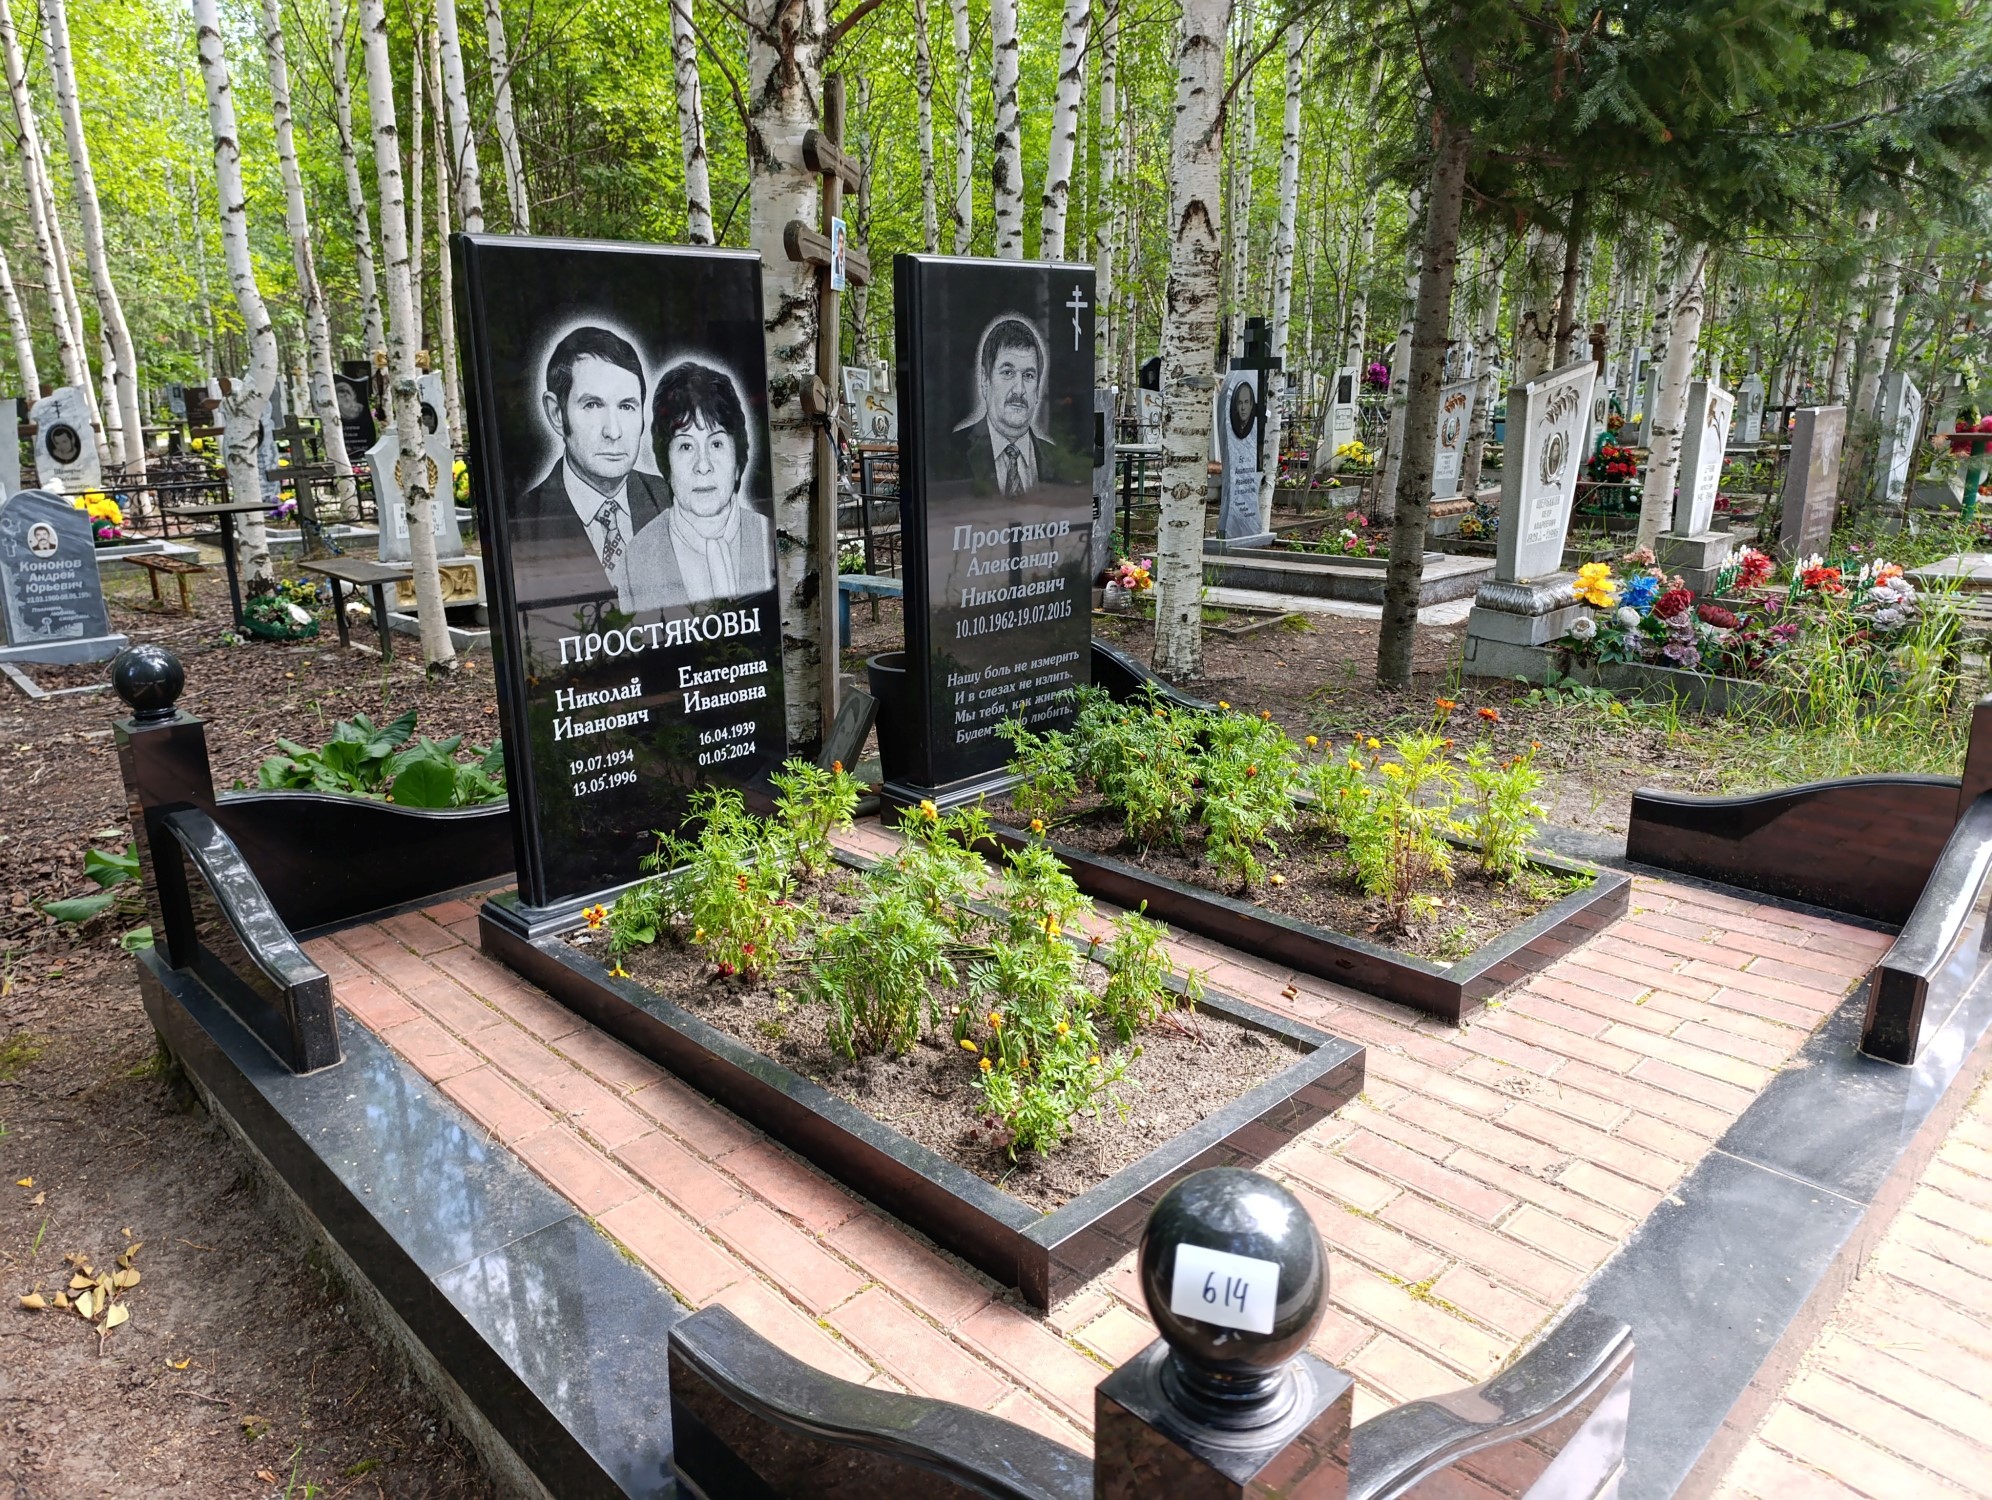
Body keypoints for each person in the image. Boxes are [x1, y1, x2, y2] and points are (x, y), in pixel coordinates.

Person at [512, 325, 668, 612]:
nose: (613, 431)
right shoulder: (520, 524)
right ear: (557, 414)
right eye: (593, 405)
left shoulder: (675, 502)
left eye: (627, 406)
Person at [628, 361, 775, 613]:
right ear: (666, 462)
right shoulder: (637, 558)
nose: (703, 465)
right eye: (686, 446)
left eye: (716, 444)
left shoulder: (769, 536)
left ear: (737, 456)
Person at [952, 317, 1059, 499]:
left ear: (1038, 389)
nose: (1019, 389)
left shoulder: (1055, 457)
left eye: (1029, 375)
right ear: (985, 380)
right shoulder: (954, 451)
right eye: (1008, 372)